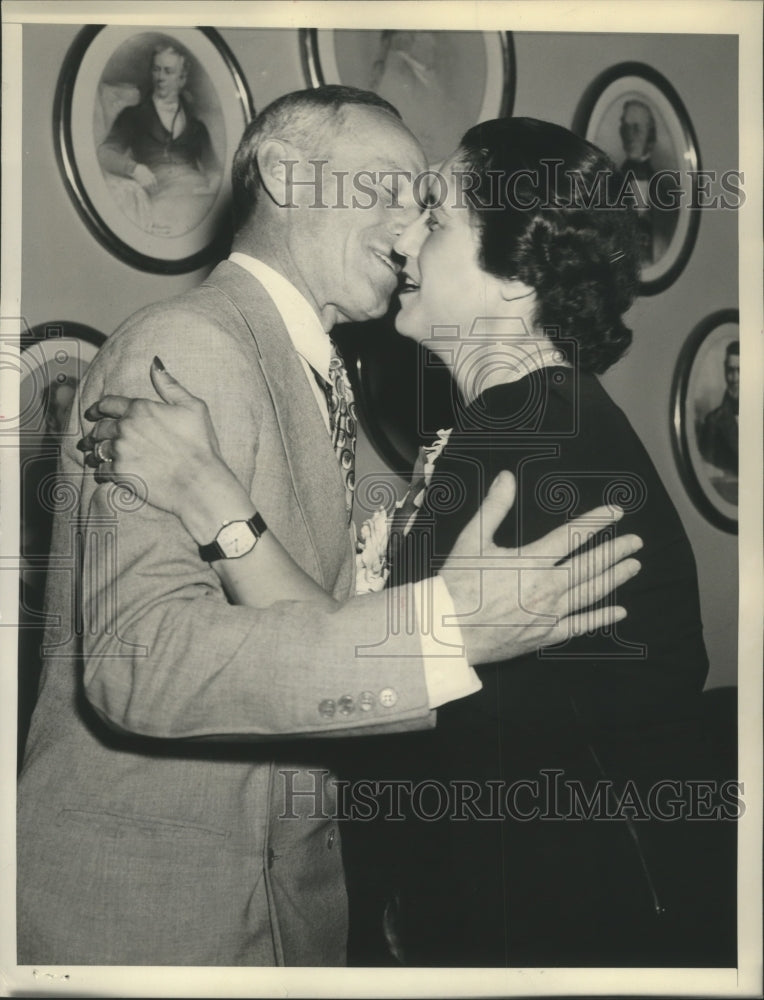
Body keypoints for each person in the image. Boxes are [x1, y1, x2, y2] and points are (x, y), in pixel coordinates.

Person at [17, 91, 640, 967]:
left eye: (428, 207)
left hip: (292, 917)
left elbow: (332, 643)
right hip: (152, 917)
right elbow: (140, 660)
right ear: (283, 174)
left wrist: (221, 507)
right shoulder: (188, 344)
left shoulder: (342, 379)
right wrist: (444, 631)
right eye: (386, 187)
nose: (409, 227)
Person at [97, 42, 220, 235]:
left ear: (182, 79)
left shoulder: (196, 126)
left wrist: (214, 181)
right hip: (162, 198)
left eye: (168, 71)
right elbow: (104, 153)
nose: (160, 77)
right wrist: (134, 168)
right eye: (156, 70)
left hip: (200, 197)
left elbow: (214, 169)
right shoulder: (133, 116)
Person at [618, 99, 677, 265]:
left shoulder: (668, 191)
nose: (630, 135)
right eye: (626, 128)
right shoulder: (606, 185)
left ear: (650, 135)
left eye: (637, 128)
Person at [699, 340, 739, 475]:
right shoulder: (712, 423)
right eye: (730, 370)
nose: (734, 378)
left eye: (741, 370)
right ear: (724, 371)